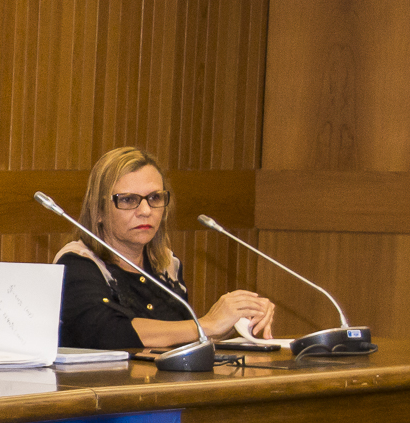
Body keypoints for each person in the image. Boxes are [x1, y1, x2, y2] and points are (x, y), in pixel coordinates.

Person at [56, 147, 275, 349]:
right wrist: (207, 324)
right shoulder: (76, 263)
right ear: (99, 210)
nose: (145, 210)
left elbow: (178, 339)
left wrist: (239, 318)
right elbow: (106, 333)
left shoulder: (166, 264)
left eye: (154, 197)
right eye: (128, 199)